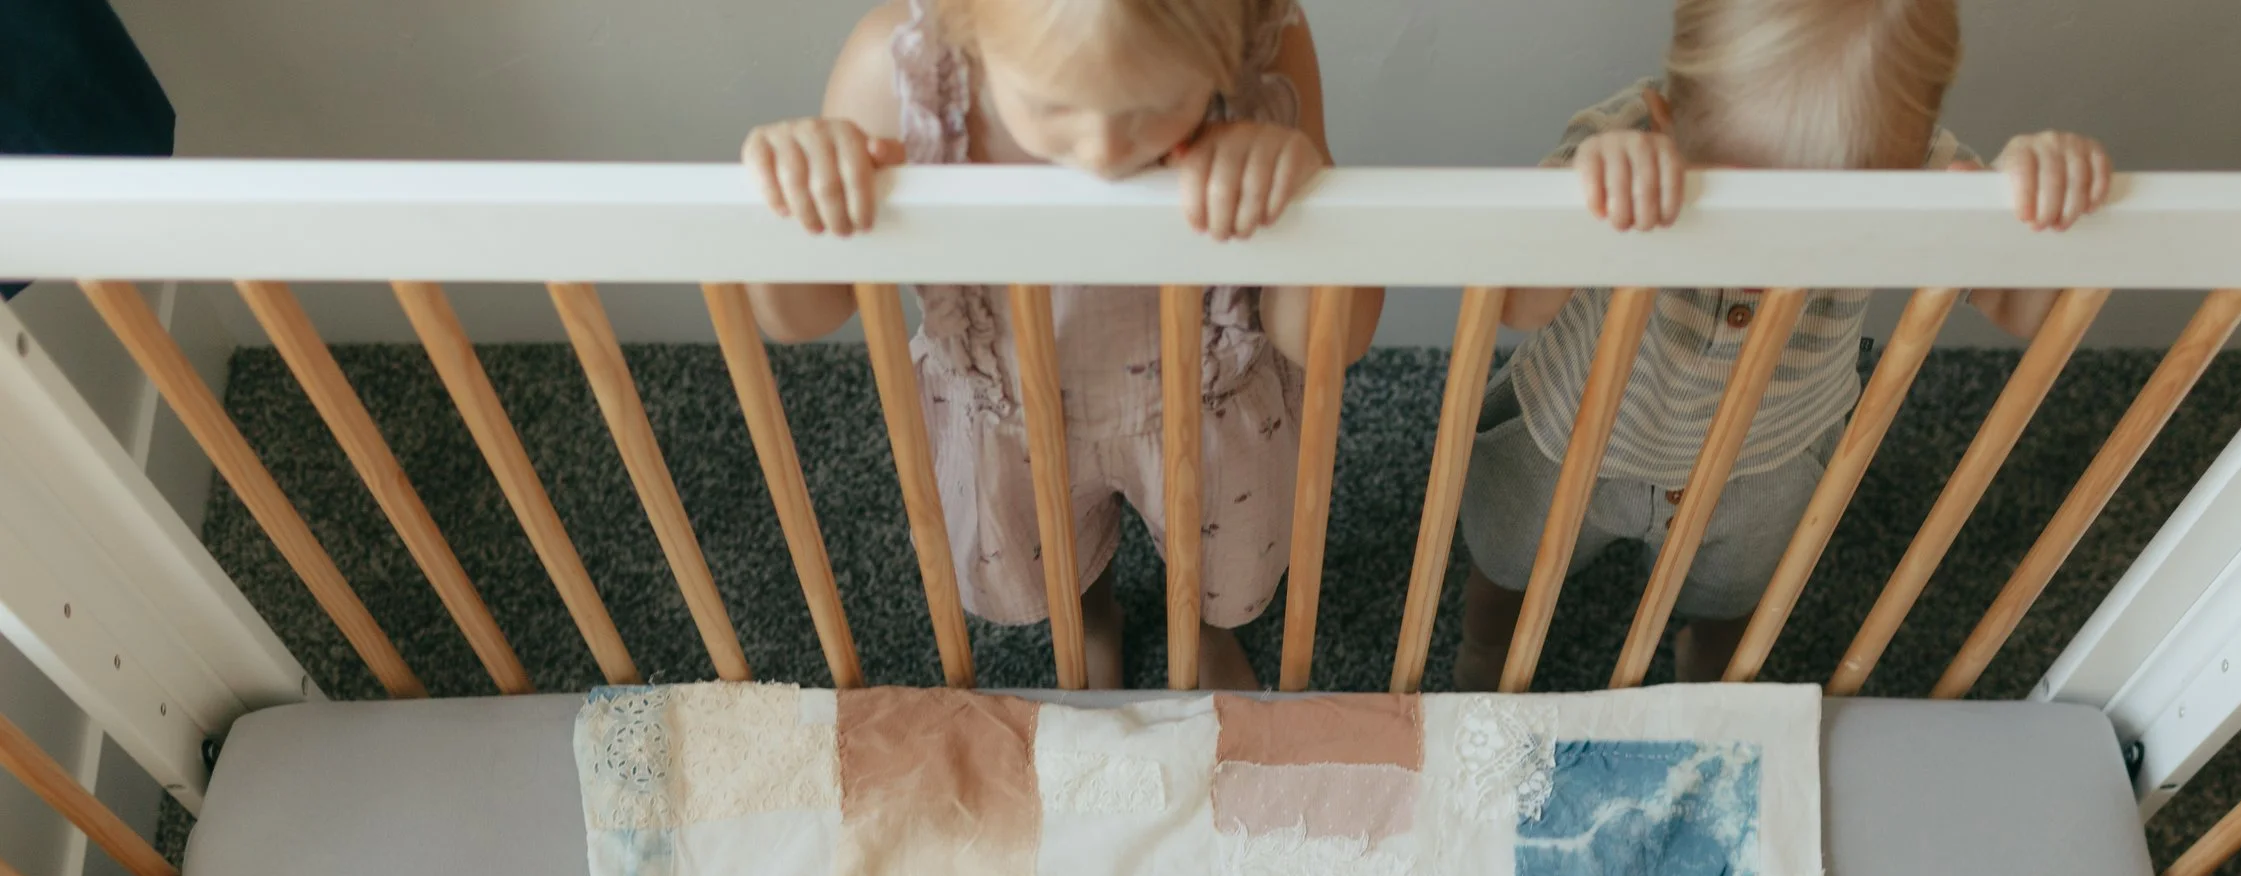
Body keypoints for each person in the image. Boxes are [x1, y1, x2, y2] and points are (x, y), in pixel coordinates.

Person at [1455, 0, 2112, 688]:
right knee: (1507, 565)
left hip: (1765, 460)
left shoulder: (1926, 176)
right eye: (1749, 197)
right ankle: (1484, 648)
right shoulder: (1624, 141)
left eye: (1836, 218)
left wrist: (2039, 217)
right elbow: (1515, 308)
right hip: (1575, 432)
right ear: (1670, 119)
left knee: (1730, 604)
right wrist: (1583, 210)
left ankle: (1709, 673)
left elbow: (2028, 310)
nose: (1782, 257)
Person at [741, 0, 1383, 690]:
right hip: (1012, 413)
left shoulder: (1262, 51)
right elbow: (800, 318)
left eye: (1158, 102)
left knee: (1218, 563)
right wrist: (790, 203)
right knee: (1059, 561)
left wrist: (1304, 194)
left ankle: (1203, 629)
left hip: (1208, 403)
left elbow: (1331, 342)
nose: (1105, 152)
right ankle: (1092, 617)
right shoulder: (895, 76)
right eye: (1052, 106)